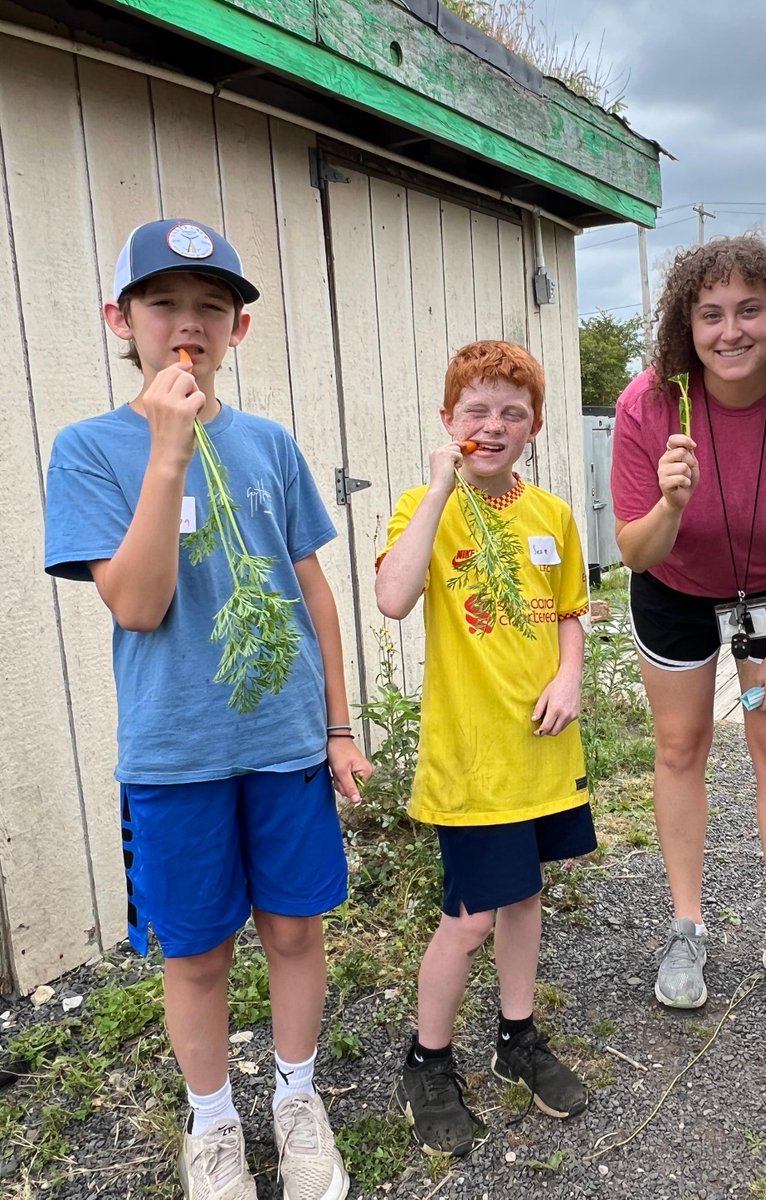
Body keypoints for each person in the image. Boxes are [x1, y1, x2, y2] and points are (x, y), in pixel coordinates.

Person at [43, 218, 370, 1200]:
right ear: (120, 319)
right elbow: (138, 603)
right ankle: (214, 1119)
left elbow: (311, 592)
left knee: (296, 931)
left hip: (282, 743)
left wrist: (339, 725)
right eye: (163, 304)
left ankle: (296, 1097)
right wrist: (168, 451)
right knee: (194, 951)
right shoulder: (91, 450)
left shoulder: (269, 445)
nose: (188, 326)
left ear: (238, 329)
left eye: (211, 308)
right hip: (173, 753)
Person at [610, 235, 766, 1015]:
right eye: (710, 314)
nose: (730, 331)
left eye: (750, 309)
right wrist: (670, 504)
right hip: (676, 587)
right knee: (681, 746)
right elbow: (634, 551)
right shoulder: (648, 403)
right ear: (686, 324)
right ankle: (687, 924)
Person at [375, 340, 594, 1155]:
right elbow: (394, 596)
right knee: (466, 919)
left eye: (511, 412)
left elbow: (569, 608)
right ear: (448, 420)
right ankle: (426, 1061)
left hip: (542, 752)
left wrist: (570, 675)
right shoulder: (422, 507)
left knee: (526, 895)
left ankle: (516, 1038)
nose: (493, 425)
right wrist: (440, 485)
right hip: (473, 762)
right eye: (476, 410)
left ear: (534, 425)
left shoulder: (553, 516)